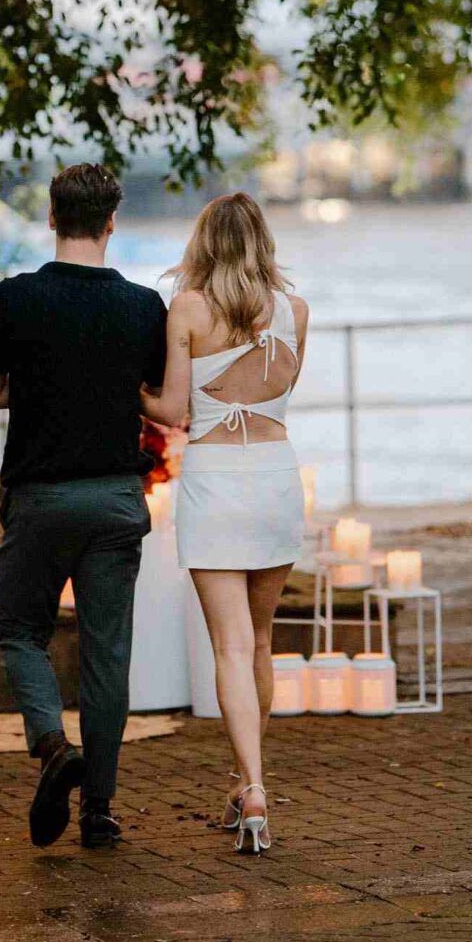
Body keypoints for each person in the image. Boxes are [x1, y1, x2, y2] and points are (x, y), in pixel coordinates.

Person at [0, 163, 166, 852]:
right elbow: (160, 399)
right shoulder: (146, 307)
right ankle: (101, 811)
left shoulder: (14, 298)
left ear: (51, 217)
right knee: (107, 655)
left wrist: (47, 386)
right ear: (113, 222)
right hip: (115, 500)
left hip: (41, 499)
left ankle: (54, 748)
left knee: (21, 632)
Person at [143, 192, 307, 855]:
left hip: (214, 482)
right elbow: (281, 395)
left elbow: (172, 412)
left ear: (204, 242)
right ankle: (248, 783)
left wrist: (121, 388)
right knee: (262, 641)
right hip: (274, 477)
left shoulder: (186, 309)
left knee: (231, 648)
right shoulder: (295, 311)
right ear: (263, 240)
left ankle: (254, 785)